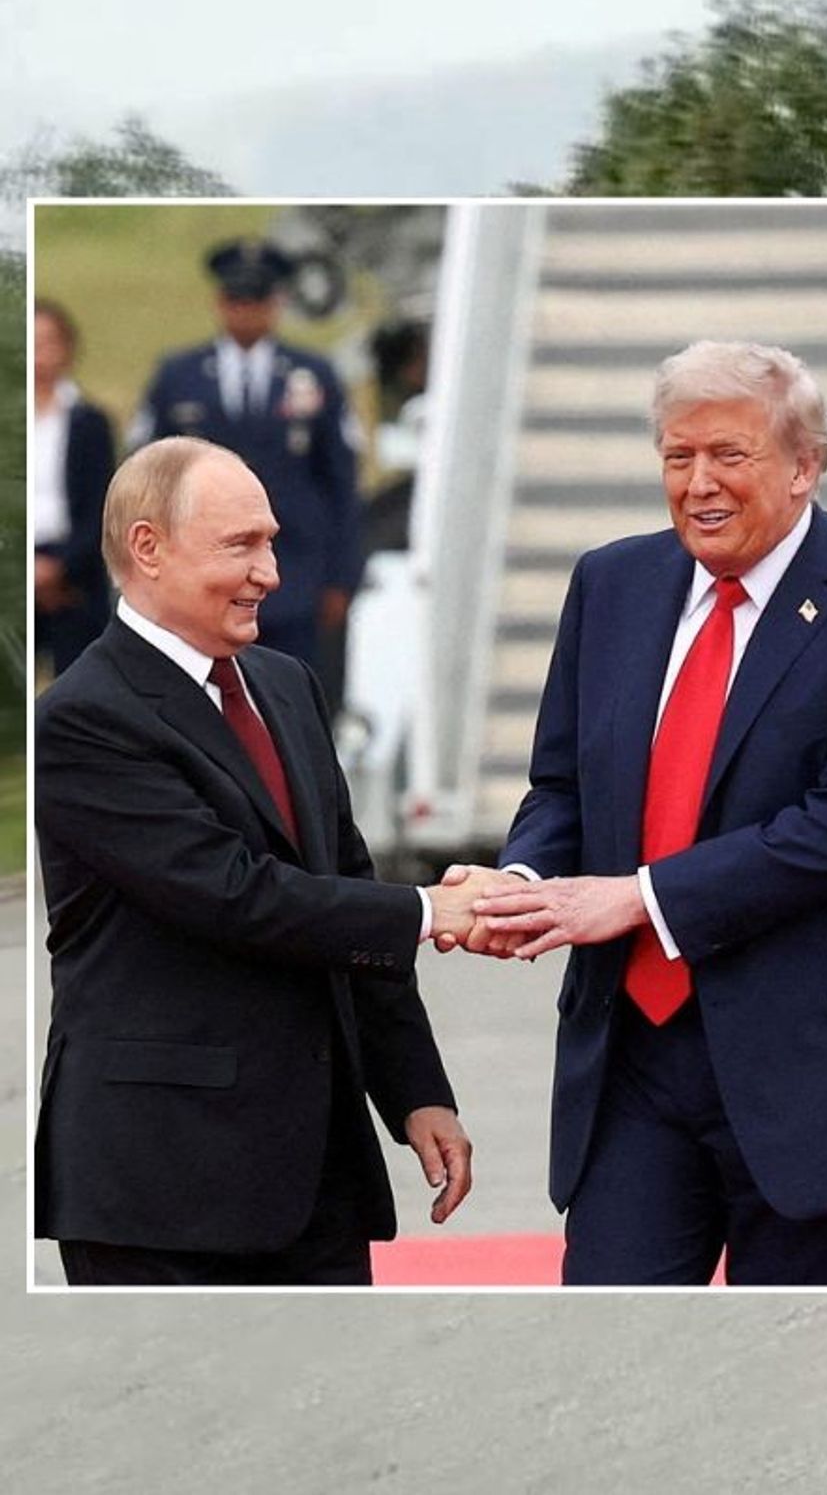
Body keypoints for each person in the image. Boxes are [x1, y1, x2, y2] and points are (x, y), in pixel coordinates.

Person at [447, 340, 827, 1286]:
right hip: (636, 1059)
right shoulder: (612, 584)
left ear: (806, 466)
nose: (698, 484)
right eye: (677, 458)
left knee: (816, 1386)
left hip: (825, 1071)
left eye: (730, 455)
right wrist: (521, 881)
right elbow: (563, 785)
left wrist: (639, 900)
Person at [34, 437, 488, 1286]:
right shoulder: (82, 719)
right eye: (240, 546)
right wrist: (435, 911)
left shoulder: (285, 685)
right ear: (148, 549)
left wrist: (416, 1090)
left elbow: (343, 885)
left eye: (271, 542)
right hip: (161, 1189)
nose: (271, 573)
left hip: (315, 1176)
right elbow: (235, 897)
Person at [131, 239, 363, 688]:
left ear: (277, 303)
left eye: (258, 299)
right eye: (237, 299)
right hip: (201, 571)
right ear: (220, 301)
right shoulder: (179, 376)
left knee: (291, 697)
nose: (247, 311)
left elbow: (342, 481)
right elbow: (145, 479)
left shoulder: (314, 375)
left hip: (295, 571)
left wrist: (342, 575)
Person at [33, 300, 115, 676]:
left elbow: (101, 506)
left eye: (48, 342)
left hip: (73, 571)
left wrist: (59, 567)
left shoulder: (89, 422)